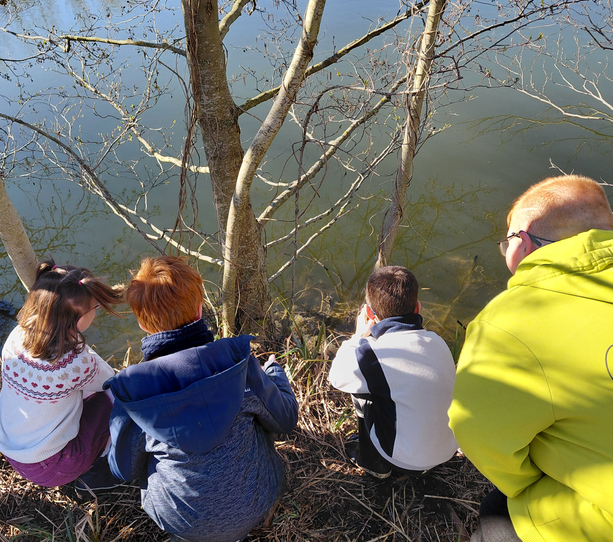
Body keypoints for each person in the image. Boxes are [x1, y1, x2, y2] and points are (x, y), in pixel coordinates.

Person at [449, 174, 613, 542]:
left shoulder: (508, 324)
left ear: (521, 244)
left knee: (496, 514)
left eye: (505, 243)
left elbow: (476, 431)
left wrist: (527, 486)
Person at [104, 256, 298, 542]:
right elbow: (286, 419)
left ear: (142, 324)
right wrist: (275, 373)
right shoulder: (237, 363)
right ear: (199, 309)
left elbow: (122, 469)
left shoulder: (133, 392)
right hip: (257, 500)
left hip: (181, 522)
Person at [0, 260, 125, 490]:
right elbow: (108, 379)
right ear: (79, 319)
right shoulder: (74, 362)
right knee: (118, 395)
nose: (96, 312)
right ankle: (98, 466)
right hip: (54, 467)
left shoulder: (17, 335)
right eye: (95, 307)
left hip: (11, 448)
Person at [329, 265, 458, 478]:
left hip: (405, 460)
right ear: (418, 308)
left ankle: (374, 464)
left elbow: (336, 377)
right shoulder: (438, 341)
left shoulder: (372, 354)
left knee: (360, 389)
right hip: (448, 450)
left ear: (368, 314)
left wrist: (357, 336)